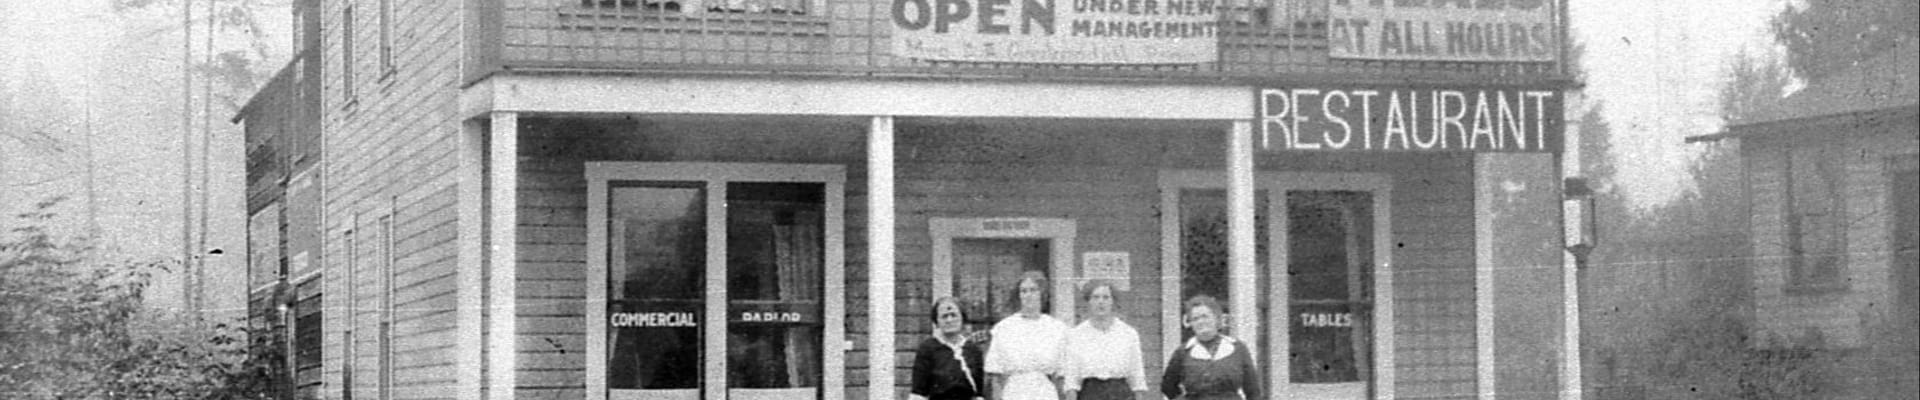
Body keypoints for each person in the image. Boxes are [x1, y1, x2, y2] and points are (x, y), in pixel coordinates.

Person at [985, 271, 1069, 400]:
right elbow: (995, 375)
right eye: (1023, 291)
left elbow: (1061, 375)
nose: (1028, 295)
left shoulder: (1057, 328)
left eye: (1033, 290)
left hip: (1044, 392)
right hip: (1014, 392)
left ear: (1042, 293)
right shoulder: (1004, 328)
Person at [1160, 295, 1263, 400]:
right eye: (1195, 319)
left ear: (1216, 318)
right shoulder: (1183, 353)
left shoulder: (1238, 349)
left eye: (1205, 316)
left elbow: (1253, 391)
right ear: (1190, 324)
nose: (1201, 322)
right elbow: (1168, 386)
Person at [1061, 280, 1149, 400]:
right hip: (1089, 393)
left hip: (1120, 393)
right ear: (1088, 302)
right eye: (1095, 297)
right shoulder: (1076, 335)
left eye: (1106, 297)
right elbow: (1072, 380)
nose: (1101, 302)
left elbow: (1137, 377)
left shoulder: (1128, 334)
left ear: (1113, 302)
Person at [911, 296, 988, 400]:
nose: (949, 320)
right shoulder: (928, 349)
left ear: (962, 318)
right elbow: (918, 393)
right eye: (944, 316)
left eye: (954, 315)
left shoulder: (973, 350)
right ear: (936, 322)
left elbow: (978, 393)